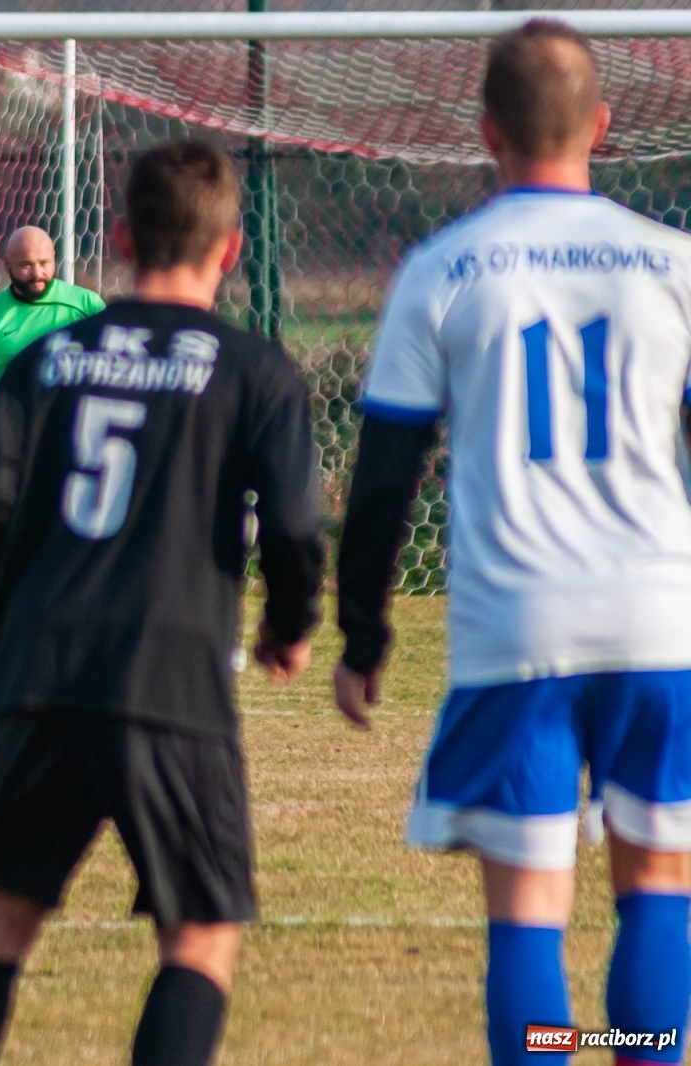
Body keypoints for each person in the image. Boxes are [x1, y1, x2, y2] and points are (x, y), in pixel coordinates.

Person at [334, 20, 691, 1066]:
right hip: (659, 617)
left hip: (516, 628)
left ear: (484, 131)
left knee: (530, 905)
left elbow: (386, 475)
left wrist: (363, 637)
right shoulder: (672, 262)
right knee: (658, 883)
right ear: (605, 128)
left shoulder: (442, 268)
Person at [0, 141, 325, 1066]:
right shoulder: (252, 369)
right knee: (198, 936)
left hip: (40, 666)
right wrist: (289, 625)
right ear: (230, 249)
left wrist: (13, 580)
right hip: (168, 673)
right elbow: (299, 526)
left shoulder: (55, 355)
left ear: (118, 238)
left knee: (2, 919)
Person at [0, 225, 105, 456]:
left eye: (44, 263)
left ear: (54, 259)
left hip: (78, 444)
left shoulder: (88, 306)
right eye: (25, 265)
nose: (37, 274)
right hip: (16, 447)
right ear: (7, 264)